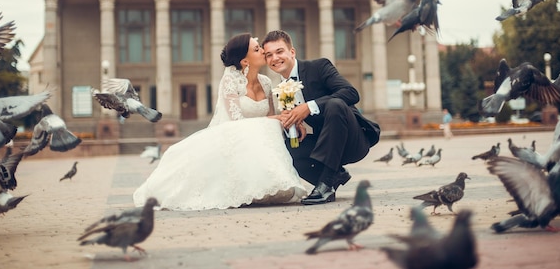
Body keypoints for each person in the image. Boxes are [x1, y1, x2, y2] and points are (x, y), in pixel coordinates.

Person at [133, 33, 307, 210]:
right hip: (235, 140)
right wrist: (275, 119)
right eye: (257, 49)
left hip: (263, 144)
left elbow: (272, 120)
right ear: (245, 61)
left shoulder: (267, 82)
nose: (263, 51)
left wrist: (288, 118)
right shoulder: (230, 80)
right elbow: (236, 121)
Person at [262, 30, 381, 205]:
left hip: (352, 140)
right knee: (285, 149)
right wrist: (294, 124)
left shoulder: (318, 66)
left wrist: (309, 107)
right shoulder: (282, 89)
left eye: (279, 51)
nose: (274, 58)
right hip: (326, 144)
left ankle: (325, 185)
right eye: (269, 55)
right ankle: (335, 175)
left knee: (335, 104)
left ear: (292, 52)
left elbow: (351, 93)